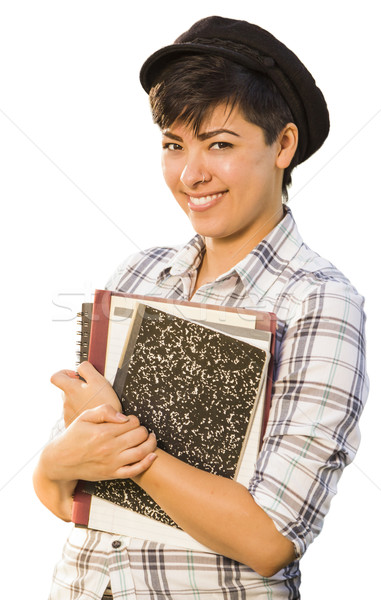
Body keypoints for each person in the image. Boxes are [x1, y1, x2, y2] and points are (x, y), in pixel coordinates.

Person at [33, 16, 368, 599]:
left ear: (282, 145)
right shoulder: (138, 275)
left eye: (220, 144)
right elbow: (64, 496)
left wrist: (122, 442)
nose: (192, 174)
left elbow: (268, 539)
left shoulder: (318, 300)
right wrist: (60, 459)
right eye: (174, 145)